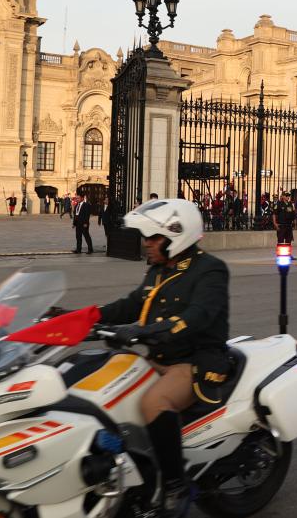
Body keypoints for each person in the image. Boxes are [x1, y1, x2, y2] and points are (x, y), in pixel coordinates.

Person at [97, 199, 231, 518]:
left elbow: (197, 316)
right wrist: (86, 317)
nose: (146, 244)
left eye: (153, 238)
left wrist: (144, 331)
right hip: (159, 356)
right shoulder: (159, 271)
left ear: (177, 234)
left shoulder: (210, 269)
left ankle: (175, 485)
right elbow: (131, 304)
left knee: (153, 403)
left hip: (194, 359)